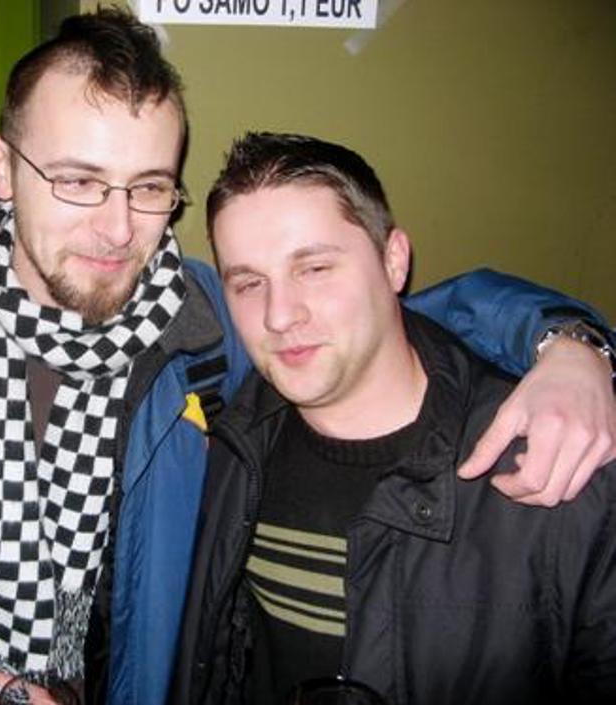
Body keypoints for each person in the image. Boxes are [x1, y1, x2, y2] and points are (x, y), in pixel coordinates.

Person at [0, 9, 616, 705]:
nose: (118, 229)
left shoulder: (204, 323)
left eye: (149, 187)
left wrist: (567, 344)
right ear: (3, 168)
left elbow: (378, 316)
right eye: (78, 180)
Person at [173, 132, 616, 705]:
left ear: (394, 260)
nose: (279, 316)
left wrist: (579, 348)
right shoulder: (231, 446)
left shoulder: (563, 459)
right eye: (249, 283)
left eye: (315, 268)